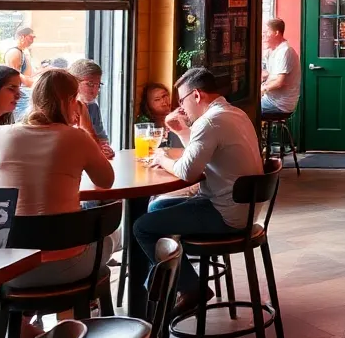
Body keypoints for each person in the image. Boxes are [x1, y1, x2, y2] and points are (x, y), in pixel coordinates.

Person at [134, 67, 262, 314]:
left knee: (142, 227)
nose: (180, 108)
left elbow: (187, 172)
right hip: (244, 209)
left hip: (226, 214)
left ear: (196, 95)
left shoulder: (210, 121)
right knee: (156, 207)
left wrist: (161, 158)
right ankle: (164, 284)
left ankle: (188, 288)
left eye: (181, 100)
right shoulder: (234, 113)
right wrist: (182, 130)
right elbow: (199, 154)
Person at [0, 69, 115, 286]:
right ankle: (70, 314)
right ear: (70, 101)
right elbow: (105, 181)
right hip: (67, 265)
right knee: (110, 238)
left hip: (6, 271)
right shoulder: (76, 137)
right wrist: (85, 127)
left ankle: (24, 317)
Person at [69, 59, 114, 159]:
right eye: (90, 84)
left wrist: (105, 149)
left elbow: (101, 137)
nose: (95, 90)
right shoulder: (63, 108)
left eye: (98, 85)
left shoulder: (93, 106)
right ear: (74, 82)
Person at [259, 19, 301, 115]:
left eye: (266, 32)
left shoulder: (284, 51)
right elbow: (267, 74)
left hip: (279, 104)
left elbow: (279, 83)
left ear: (276, 33)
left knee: (246, 111)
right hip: (271, 99)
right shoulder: (272, 50)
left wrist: (261, 89)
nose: (263, 35)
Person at [137, 82, 181, 148]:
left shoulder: (178, 115)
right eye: (157, 100)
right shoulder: (145, 123)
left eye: (165, 96)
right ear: (148, 104)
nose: (164, 101)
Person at [5, 26, 35, 120]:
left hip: (25, 94)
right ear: (22, 37)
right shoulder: (14, 52)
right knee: (22, 122)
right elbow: (15, 75)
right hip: (21, 96)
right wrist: (32, 83)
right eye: (31, 37)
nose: (32, 40)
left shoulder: (23, 52)